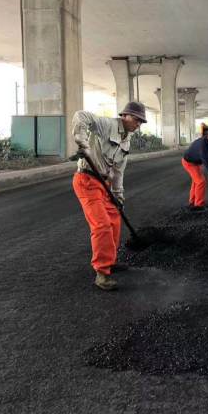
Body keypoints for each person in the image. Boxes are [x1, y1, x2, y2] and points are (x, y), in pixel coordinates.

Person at [72, 100, 147, 291]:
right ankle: (102, 272)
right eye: (135, 119)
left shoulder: (126, 140)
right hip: (87, 180)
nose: (138, 123)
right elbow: (81, 115)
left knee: (114, 220)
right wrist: (81, 139)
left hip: (104, 182)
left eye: (141, 121)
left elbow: (118, 171)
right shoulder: (107, 124)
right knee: (102, 225)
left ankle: (109, 260)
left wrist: (118, 196)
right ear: (124, 115)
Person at [182, 127, 208, 211]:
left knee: (196, 182)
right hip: (189, 163)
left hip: (196, 163)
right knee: (200, 181)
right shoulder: (202, 144)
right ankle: (199, 205)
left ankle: (192, 203)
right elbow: (205, 160)